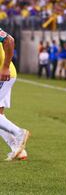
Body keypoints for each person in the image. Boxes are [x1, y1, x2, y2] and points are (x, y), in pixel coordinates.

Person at [0, 28, 30, 161]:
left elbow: (9, 40)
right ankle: (18, 149)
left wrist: (5, 66)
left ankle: (19, 133)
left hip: (4, 74)